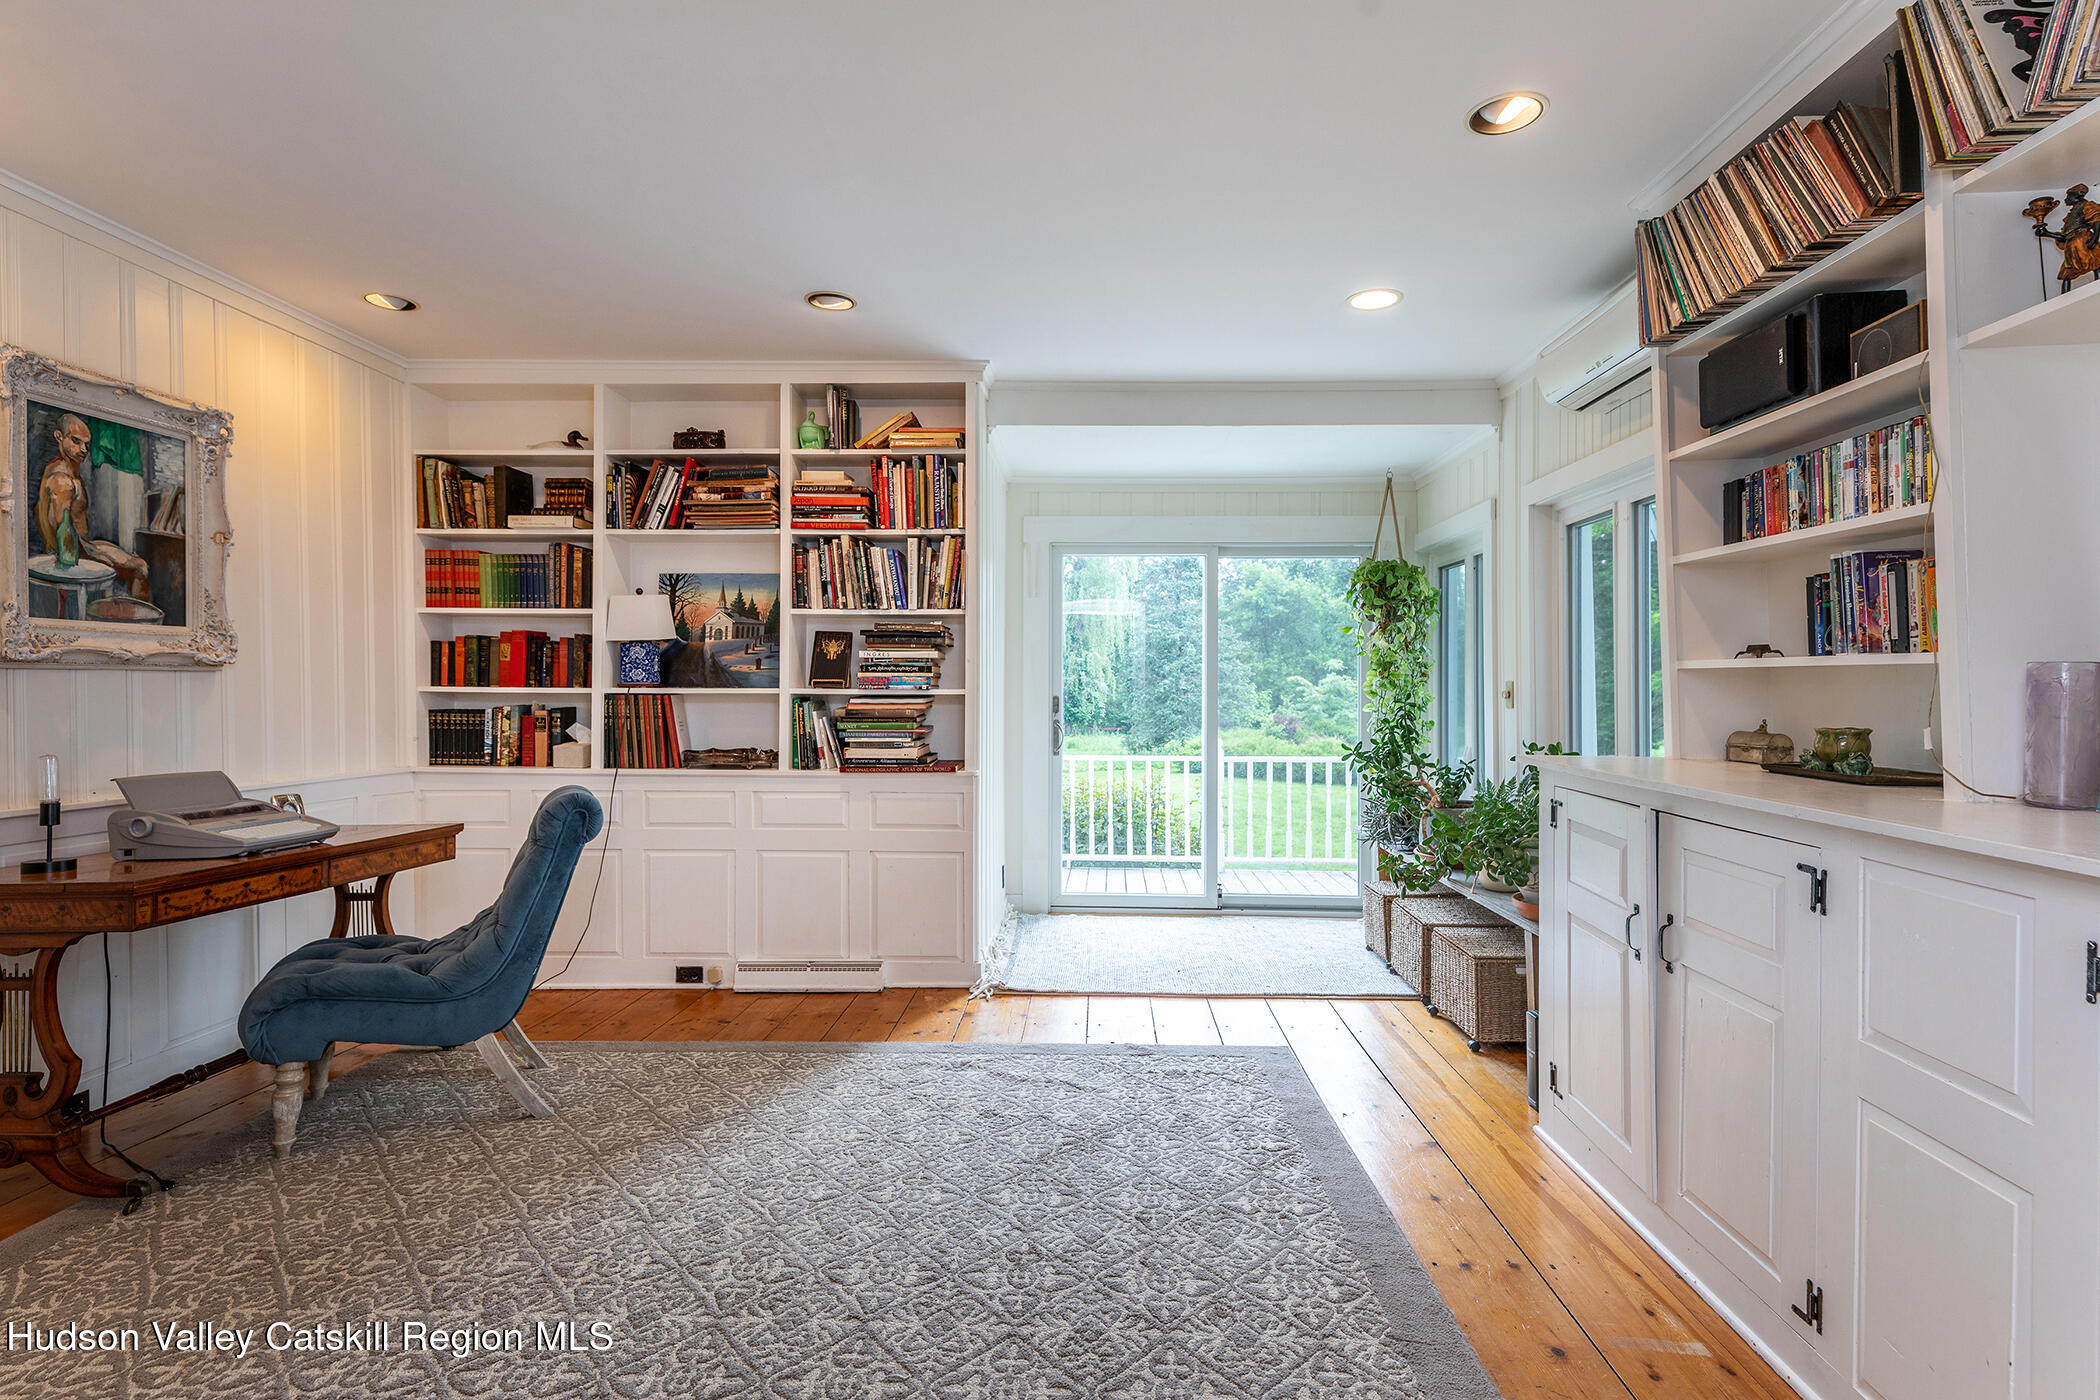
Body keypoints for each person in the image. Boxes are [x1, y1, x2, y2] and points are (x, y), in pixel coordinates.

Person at [34, 412, 148, 600]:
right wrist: (95, 556)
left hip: (84, 545)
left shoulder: (69, 473)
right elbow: (62, 532)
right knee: (140, 567)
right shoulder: (62, 481)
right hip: (75, 553)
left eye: (86, 444)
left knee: (138, 562)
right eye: (76, 441)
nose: (83, 449)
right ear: (59, 436)